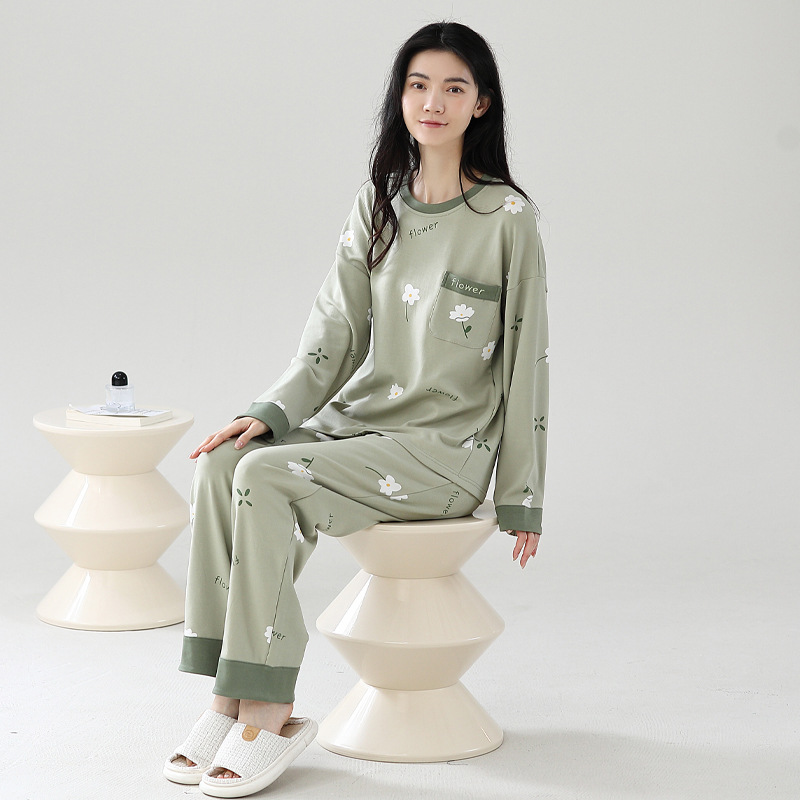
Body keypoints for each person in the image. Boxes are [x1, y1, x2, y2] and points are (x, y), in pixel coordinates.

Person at [163, 20, 549, 798]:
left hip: (445, 453)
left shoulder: (507, 218)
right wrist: (271, 413)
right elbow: (334, 334)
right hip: (365, 428)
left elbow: (526, 355)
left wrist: (522, 494)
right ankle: (229, 694)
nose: (433, 102)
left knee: (266, 480)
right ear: (400, 98)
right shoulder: (379, 204)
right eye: (418, 85)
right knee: (227, 465)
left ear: (481, 104)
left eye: (453, 88)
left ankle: (268, 707)